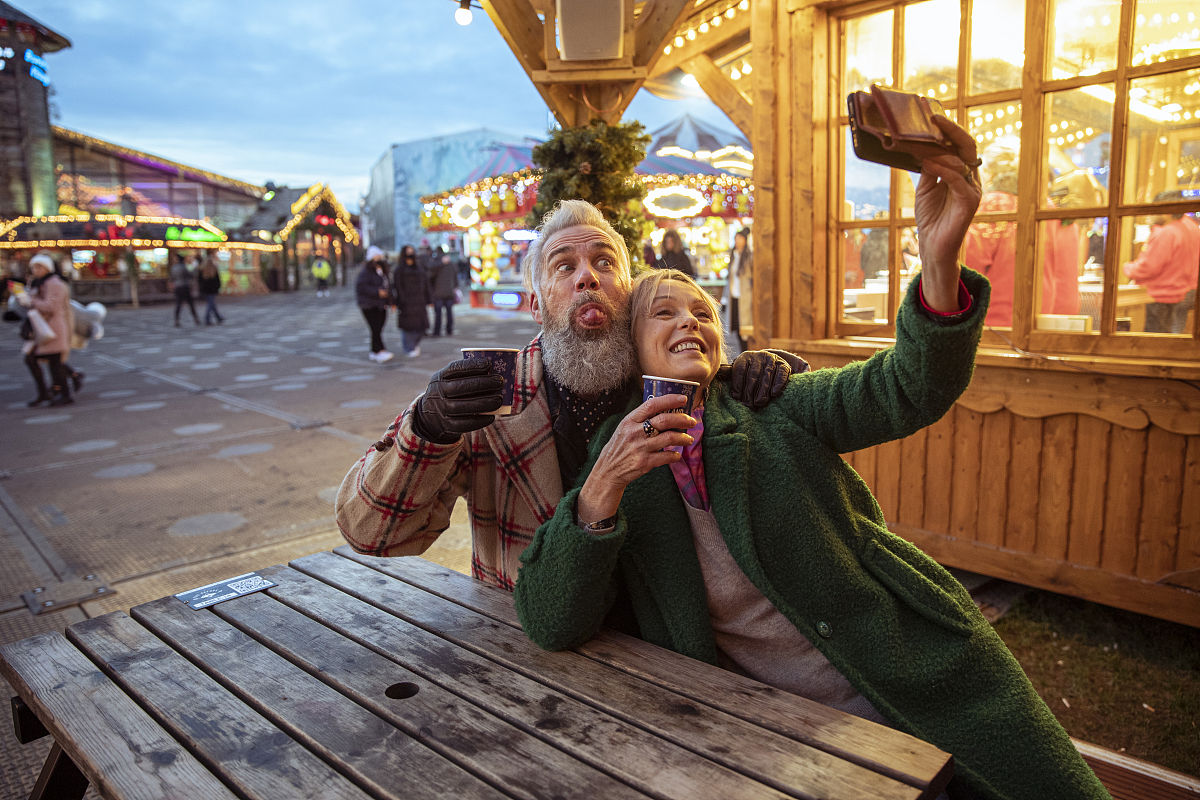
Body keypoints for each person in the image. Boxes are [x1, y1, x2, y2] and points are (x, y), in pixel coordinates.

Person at [514, 123, 1110, 799]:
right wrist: (599, 493)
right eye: (664, 312)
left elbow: (908, 386)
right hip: (776, 731)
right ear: (630, 344)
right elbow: (550, 620)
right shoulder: (614, 459)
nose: (689, 322)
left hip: (908, 671)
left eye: (704, 311)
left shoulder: (774, 404)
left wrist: (939, 262)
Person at [336, 198, 806, 591]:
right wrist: (428, 428)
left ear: (627, 292)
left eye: (605, 263)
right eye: (565, 266)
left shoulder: (666, 382)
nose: (588, 277)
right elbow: (372, 534)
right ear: (537, 305)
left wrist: (749, 378)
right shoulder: (491, 398)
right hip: (524, 644)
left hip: (665, 653)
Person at [1123, 196, 1199, 334]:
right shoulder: (1192, 227)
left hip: (1162, 294)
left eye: (1155, 210)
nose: (1152, 214)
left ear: (1166, 211)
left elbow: (1149, 267)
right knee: (1174, 339)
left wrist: (1127, 268)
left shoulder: (1167, 232)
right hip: (1187, 291)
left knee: (1156, 343)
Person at [19, 253, 75, 407]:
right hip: (40, 329)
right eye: (34, 267)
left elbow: (51, 307)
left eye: (39, 267)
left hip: (53, 329)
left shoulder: (55, 283)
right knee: (34, 359)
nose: (36, 270)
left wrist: (31, 300)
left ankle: (64, 393)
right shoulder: (38, 283)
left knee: (55, 363)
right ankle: (46, 392)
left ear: (47, 267)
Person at [355, 245, 393, 363]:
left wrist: (390, 300)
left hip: (380, 304)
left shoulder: (382, 270)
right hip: (370, 304)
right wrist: (377, 292)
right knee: (375, 327)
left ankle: (375, 350)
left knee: (378, 327)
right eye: (377, 256)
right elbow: (361, 287)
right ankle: (379, 350)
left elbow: (388, 285)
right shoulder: (366, 271)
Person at [392, 244, 432, 357]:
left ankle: (413, 345)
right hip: (406, 303)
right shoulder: (399, 270)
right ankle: (409, 347)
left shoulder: (419, 269)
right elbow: (396, 286)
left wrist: (429, 299)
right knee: (408, 327)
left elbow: (426, 284)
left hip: (419, 302)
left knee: (421, 326)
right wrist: (396, 302)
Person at [725, 227, 752, 351]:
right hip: (734, 297)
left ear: (745, 240)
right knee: (736, 328)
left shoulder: (749, 257)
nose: (737, 241)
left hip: (745, 298)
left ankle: (746, 352)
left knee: (745, 330)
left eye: (740, 239)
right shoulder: (734, 256)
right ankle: (743, 352)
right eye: (736, 239)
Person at [428, 246, 458, 337]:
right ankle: (449, 330)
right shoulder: (451, 263)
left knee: (438, 313)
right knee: (448, 312)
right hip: (449, 292)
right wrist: (454, 287)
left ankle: (437, 331)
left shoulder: (436, 263)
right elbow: (455, 277)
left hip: (438, 293)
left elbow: (430, 275)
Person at [169, 252, 200, 327]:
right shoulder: (184, 267)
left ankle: (176, 320)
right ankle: (196, 318)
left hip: (178, 287)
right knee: (190, 304)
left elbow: (171, 278)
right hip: (185, 287)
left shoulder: (174, 268)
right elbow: (191, 275)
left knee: (178, 304)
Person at [197, 256, 225, 325]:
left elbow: (199, 281)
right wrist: (218, 287)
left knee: (211, 303)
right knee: (211, 304)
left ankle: (218, 317)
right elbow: (218, 281)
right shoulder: (214, 269)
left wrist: (201, 289)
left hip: (206, 290)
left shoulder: (202, 270)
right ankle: (207, 318)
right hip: (212, 290)